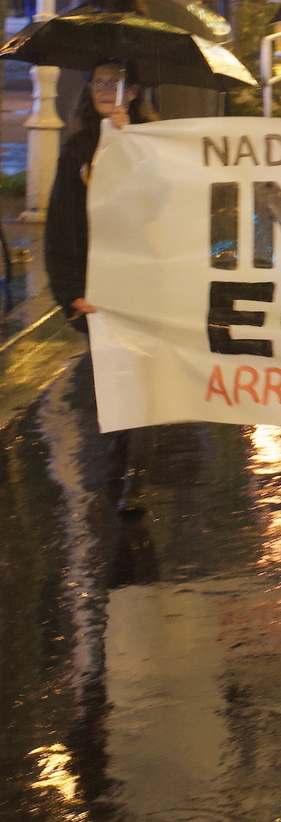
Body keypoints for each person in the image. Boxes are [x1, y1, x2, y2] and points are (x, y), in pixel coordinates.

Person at [44, 62, 156, 514]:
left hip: (145, 285)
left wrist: (130, 147)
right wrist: (70, 291)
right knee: (111, 384)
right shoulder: (76, 151)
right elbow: (60, 226)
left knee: (143, 381)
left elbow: (164, 207)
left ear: (135, 93)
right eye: (100, 82)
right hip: (97, 292)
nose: (108, 90)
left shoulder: (154, 144)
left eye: (118, 82)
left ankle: (135, 477)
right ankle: (118, 459)